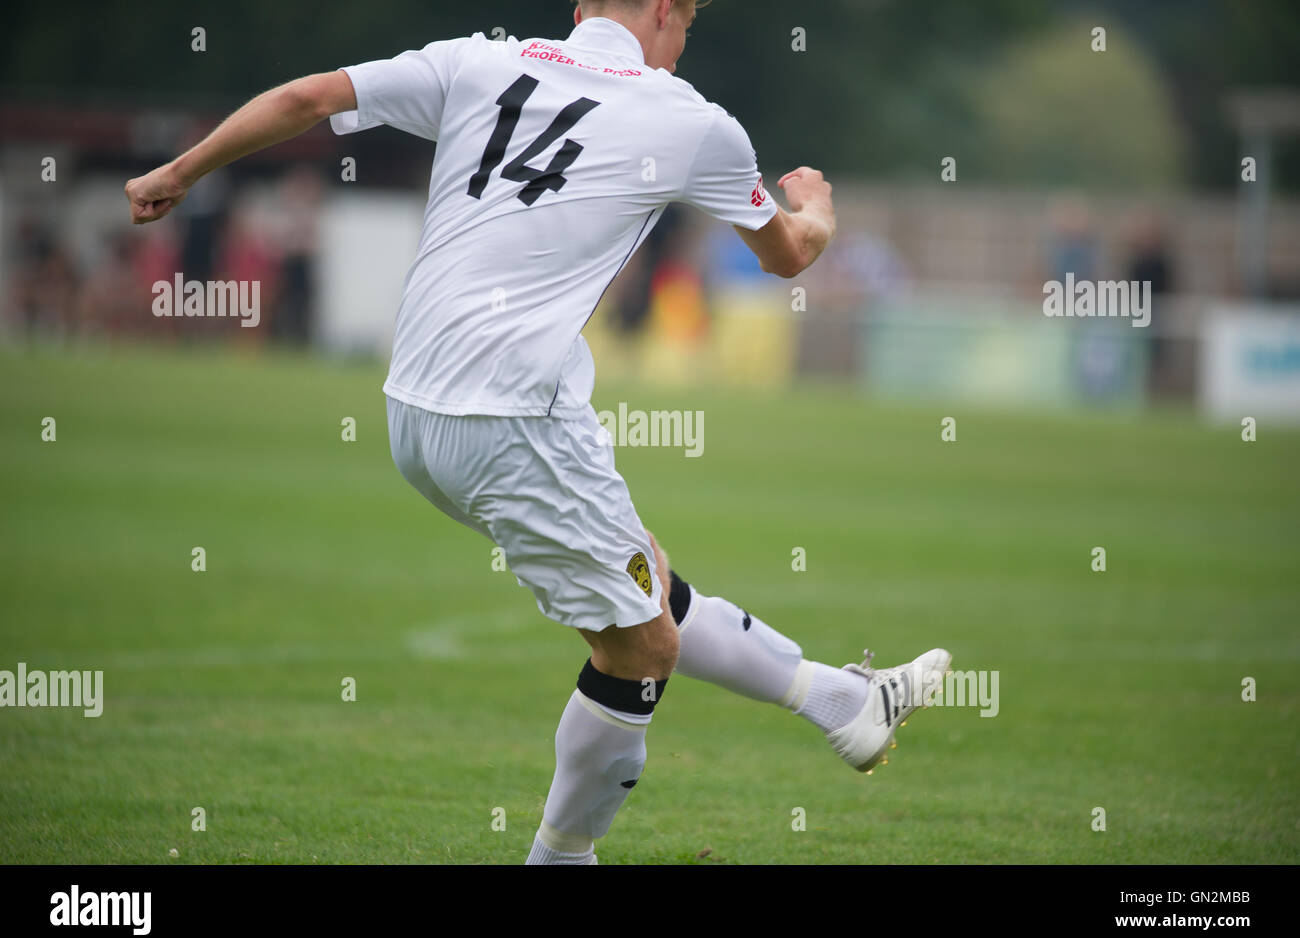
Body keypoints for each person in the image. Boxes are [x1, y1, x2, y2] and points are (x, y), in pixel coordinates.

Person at [124, 0, 950, 865]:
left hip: (412, 407)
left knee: (644, 578)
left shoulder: (478, 62)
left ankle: (839, 702)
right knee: (642, 646)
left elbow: (307, 98)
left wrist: (181, 170)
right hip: (513, 413)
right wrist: (814, 206)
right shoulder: (688, 119)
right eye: (688, 23)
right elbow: (787, 254)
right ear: (667, 13)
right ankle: (558, 860)